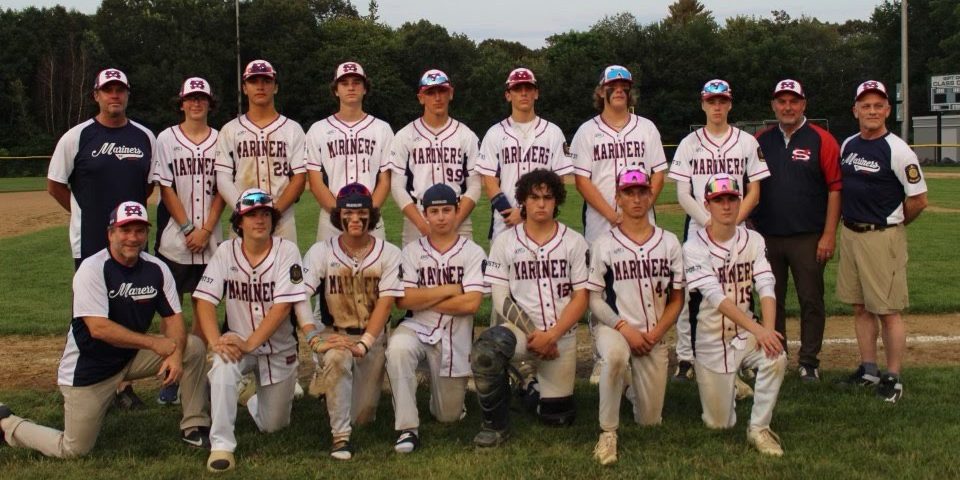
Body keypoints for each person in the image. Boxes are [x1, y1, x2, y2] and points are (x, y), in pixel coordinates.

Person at [0, 202, 210, 457]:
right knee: (73, 448)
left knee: (193, 347)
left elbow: (175, 318)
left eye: (140, 231)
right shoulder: (93, 268)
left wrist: (175, 354)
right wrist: (155, 343)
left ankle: (194, 426)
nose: (133, 238)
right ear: (111, 233)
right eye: (125, 230)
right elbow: (99, 328)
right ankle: (7, 424)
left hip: (129, 357)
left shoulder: (156, 268)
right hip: (91, 367)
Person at [46, 67, 157, 409]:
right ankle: (83, 381)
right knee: (90, 313)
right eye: (107, 90)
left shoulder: (144, 137)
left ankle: (121, 385)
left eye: (119, 90)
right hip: (91, 241)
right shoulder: (77, 137)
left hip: (133, 242)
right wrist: (85, 214)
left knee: (131, 309)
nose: (114, 96)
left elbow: (148, 185)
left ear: (127, 94)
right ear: (96, 95)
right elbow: (55, 185)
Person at [192, 189, 309, 473]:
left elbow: (282, 308)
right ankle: (221, 445)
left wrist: (249, 343)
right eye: (252, 215)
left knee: (273, 426)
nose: (260, 220)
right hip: (237, 345)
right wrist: (214, 341)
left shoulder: (287, 250)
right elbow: (204, 300)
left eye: (266, 214)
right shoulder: (225, 251)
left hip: (279, 349)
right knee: (221, 365)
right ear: (239, 222)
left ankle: (253, 398)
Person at [471, 169, 589, 448]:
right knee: (487, 352)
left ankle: (528, 385)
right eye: (534, 197)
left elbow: (581, 297)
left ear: (556, 201)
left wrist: (553, 335)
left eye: (548, 197)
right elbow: (500, 297)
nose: (541, 203)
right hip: (523, 331)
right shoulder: (505, 241)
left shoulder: (574, 241)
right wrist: (537, 334)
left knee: (557, 418)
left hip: (562, 336)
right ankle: (495, 426)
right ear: (522, 200)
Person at [668, 79, 770, 384]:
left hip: (736, 226)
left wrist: (734, 219)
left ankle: (742, 353)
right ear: (703, 104)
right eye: (711, 101)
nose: (717, 106)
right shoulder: (690, 143)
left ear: (729, 104)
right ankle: (687, 356)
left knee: (740, 289)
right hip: (700, 227)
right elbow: (683, 192)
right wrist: (709, 220)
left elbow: (755, 189)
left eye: (722, 101)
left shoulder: (746, 141)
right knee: (690, 294)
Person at [834, 80, 928, 404]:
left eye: (878, 105)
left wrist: (894, 224)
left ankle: (893, 376)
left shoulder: (899, 149)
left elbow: (918, 199)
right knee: (860, 307)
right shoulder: (848, 144)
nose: (871, 111)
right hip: (851, 234)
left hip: (881, 236)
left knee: (887, 311)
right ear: (855, 110)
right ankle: (868, 369)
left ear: (887, 109)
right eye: (865, 105)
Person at [585, 170, 685, 465]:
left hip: (652, 333)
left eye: (642, 191)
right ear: (618, 198)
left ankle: (626, 386)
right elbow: (594, 299)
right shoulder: (604, 243)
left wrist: (655, 335)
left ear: (650, 195)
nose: (637, 198)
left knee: (650, 421)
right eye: (629, 192)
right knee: (615, 356)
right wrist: (623, 328)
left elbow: (676, 299)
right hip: (613, 326)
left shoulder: (669, 242)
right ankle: (607, 432)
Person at [683, 173, 786, 457]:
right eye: (719, 200)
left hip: (744, 336)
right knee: (719, 424)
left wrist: (767, 330)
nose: (726, 206)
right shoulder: (693, 247)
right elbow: (715, 297)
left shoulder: (753, 239)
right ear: (707, 204)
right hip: (711, 340)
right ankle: (733, 388)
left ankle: (759, 428)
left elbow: (765, 283)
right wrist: (760, 330)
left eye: (731, 199)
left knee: (776, 356)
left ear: (740, 201)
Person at [300, 183, 404, 460]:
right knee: (336, 358)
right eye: (348, 213)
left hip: (371, 337)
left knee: (364, 417)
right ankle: (340, 438)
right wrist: (313, 336)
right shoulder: (320, 251)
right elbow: (298, 295)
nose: (355, 219)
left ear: (372, 216)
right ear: (338, 216)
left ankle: (330, 385)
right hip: (335, 334)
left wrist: (366, 343)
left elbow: (386, 302)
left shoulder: (390, 253)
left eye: (362, 213)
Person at [752, 79, 841, 382]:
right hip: (768, 236)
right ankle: (776, 357)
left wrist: (829, 233)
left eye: (793, 101)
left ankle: (809, 361)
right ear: (773, 105)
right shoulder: (760, 140)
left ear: (804, 104)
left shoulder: (822, 139)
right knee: (770, 300)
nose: (787, 107)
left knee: (811, 300)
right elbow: (750, 186)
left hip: (808, 236)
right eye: (781, 101)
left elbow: (834, 189)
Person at [386, 183, 485, 454]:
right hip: (417, 326)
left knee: (448, 417)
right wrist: (451, 289)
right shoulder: (411, 251)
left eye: (446, 210)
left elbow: (472, 303)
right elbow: (403, 300)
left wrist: (426, 297)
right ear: (425, 214)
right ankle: (407, 428)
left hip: (454, 335)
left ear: (456, 212)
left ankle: (441, 399)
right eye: (434, 211)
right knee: (397, 349)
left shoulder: (473, 252)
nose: (441, 216)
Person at [153, 77, 226, 404]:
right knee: (171, 313)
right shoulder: (166, 138)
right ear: (181, 103)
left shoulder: (222, 138)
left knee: (203, 311)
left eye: (202, 99)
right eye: (190, 98)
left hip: (211, 244)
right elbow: (165, 187)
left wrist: (207, 229)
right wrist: (187, 228)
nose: (196, 104)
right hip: (174, 242)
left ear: (210, 103)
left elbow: (224, 187)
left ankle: (192, 372)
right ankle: (171, 373)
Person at [571, 65, 668, 243]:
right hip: (599, 227)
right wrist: (614, 217)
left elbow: (658, 175)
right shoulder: (586, 131)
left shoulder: (647, 127)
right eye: (612, 86)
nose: (619, 91)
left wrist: (639, 212)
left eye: (624, 86)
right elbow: (581, 182)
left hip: (643, 226)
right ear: (601, 91)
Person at [386, 69, 481, 246]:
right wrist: (422, 225)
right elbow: (397, 188)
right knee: (415, 273)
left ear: (450, 93)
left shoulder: (466, 135)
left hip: (458, 216)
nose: (437, 97)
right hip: (418, 216)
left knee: (464, 271)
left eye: (442, 91)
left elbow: (475, 186)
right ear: (421, 97)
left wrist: (456, 220)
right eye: (430, 92)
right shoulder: (405, 136)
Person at [215, 59, 306, 243]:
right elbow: (223, 179)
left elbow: (299, 178)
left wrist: (274, 213)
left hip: (283, 220)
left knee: (285, 271)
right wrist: (244, 211)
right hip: (242, 221)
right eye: (254, 81)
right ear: (244, 87)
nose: (260, 86)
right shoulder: (230, 130)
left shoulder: (293, 129)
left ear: (275, 87)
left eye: (266, 81)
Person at [477, 67, 572, 240]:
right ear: (508, 95)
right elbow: (490, 182)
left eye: (528, 88)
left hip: (543, 224)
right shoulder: (495, 133)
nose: (523, 93)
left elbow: (559, 181)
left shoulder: (553, 132)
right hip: (505, 225)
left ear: (536, 93)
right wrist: (509, 214)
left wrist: (523, 213)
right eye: (517, 89)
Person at [305, 61, 393, 242]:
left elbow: (385, 180)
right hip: (331, 219)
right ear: (336, 90)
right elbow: (315, 181)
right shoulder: (318, 129)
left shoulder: (382, 129)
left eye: (356, 82)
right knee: (330, 270)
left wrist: (367, 214)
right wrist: (339, 215)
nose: (351, 87)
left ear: (365, 88)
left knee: (376, 269)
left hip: (372, 219)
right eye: (344, 83)